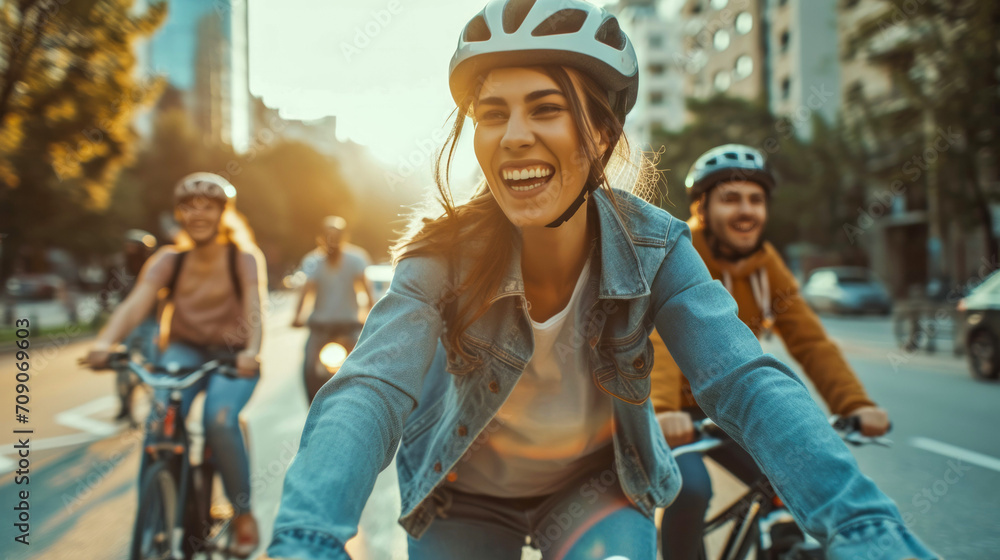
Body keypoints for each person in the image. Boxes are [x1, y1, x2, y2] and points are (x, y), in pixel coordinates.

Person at [264, 2, 937, 559]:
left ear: (603, 135)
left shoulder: (657, 247)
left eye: (545, 108)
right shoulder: (441, 254)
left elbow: (745, 382)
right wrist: (306, 540)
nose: (514, 135)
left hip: (596, 487)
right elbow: (370, 392)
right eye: (492, 114)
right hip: (461, 492)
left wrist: (862, 528)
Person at [652, 144, 893, 560]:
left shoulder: (767, 265)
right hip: (671, 408)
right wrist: (661, 410)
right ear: (702, 208)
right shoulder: (679, 251)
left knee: (799, 471)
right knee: (688, 490)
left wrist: (853, 402)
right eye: (730, 199)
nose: (746, 211)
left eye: (755, 200)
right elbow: (663, 338)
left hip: (735, 404)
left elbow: (810, 341)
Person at [83, 173, 267, 558]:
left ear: (223, 213)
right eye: (189, 206)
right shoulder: (169, 258)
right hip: (184, 349)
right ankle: (154, 513)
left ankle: (244, 513)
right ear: (179, 213)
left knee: (218, 418)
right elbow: (137, 302)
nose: (197, 213)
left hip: (233, 356)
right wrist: (105, 343)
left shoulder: (243, 258)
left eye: (208, 206)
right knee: (160, 417)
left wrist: (251, 350)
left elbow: (255, 308)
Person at [291, 215, 374, 403]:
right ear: (320, 237)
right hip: (321, 327)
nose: (332, 240)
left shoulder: (356, 258)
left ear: (344, 236)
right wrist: (297, 316)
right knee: (310, 369)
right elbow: (306, 291)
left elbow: (366, 290)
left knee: (363, 368)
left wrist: (372, 314)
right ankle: (313, 408)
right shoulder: (313, 261)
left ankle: (362, 405)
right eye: (328, 235)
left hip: (349, 326)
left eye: (336, 235)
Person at [111, 229, 159, 420]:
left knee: (153, 365)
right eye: (128, 247)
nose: (131, 252)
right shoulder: (121, 269)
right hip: (128, 325)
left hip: (151, 323)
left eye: (135, 248)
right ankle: (124, 404)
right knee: (122, 365)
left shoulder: (157, 269)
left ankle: (157, 404)